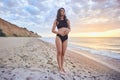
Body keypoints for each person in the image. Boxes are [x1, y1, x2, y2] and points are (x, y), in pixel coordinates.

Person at [51, 7, 71, 74]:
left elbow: (70, 29)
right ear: (59, 12)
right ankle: (59, 67)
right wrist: (59, 32)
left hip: (65, 37)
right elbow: (53, 30)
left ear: (64, 12)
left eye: (63, 11)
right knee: (59, 52)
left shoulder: (67, 20)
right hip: (59, 37)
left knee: (63, 53)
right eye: (61, 11)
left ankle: (62, 67)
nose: (62, 12)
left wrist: (68, 30)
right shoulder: (56, 20)